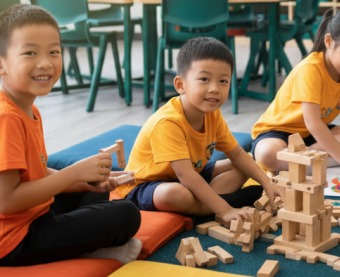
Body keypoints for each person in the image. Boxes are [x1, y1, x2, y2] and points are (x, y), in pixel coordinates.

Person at [0, 4, 141, 267]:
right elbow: (6, 202)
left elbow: (37, 172)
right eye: (29, 53)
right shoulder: (3, 118)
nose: (45, 63)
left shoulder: (25, 107)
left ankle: (81, 238)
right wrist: (75, 173)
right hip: (9, 240)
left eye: (54, 51)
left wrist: (85, 181)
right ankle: (88, 249)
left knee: (93, 185)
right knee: (126, 214)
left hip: (31, 216)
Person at [117, 37, 284, 221]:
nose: (214, 88)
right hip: (149, 185)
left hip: (193, 173)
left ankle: (206, 202)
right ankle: (211, 207)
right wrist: (226, 211)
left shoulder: (212, 114)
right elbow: (186, 176)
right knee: (175, 193)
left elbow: (236, 153)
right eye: (204, 79)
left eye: (223, 81)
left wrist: (267, 184)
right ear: (181, 85)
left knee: (245, 164)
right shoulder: (167, 122)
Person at [251, 7, 340, 178]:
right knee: (266, 154)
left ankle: (304, 161)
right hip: (279, 133)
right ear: (329, 42)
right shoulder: (310, 69)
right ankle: (321, 161)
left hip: (310, 137)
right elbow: (313, 122)